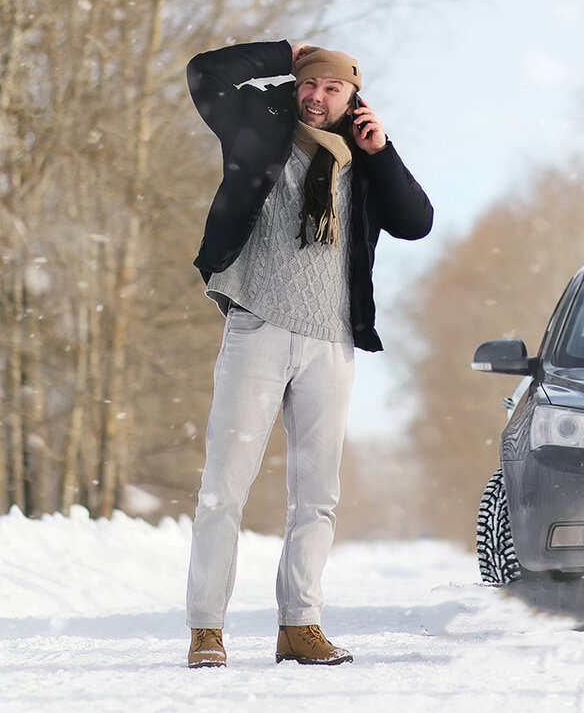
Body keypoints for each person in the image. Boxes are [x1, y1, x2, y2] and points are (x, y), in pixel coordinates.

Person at [183, 40, 433, 668]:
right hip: (257, 326)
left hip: (331, 339)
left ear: (354, 99)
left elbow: (416, 221)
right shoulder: (256, 124)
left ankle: (301, 624)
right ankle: (207, 630)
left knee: (316, 495)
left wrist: (384, 152)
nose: (317, 97)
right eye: (309, 84)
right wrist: (283, 51)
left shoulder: (365, 158)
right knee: (224, 488)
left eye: (332, 90)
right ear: (295, 85)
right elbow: (205, 73)